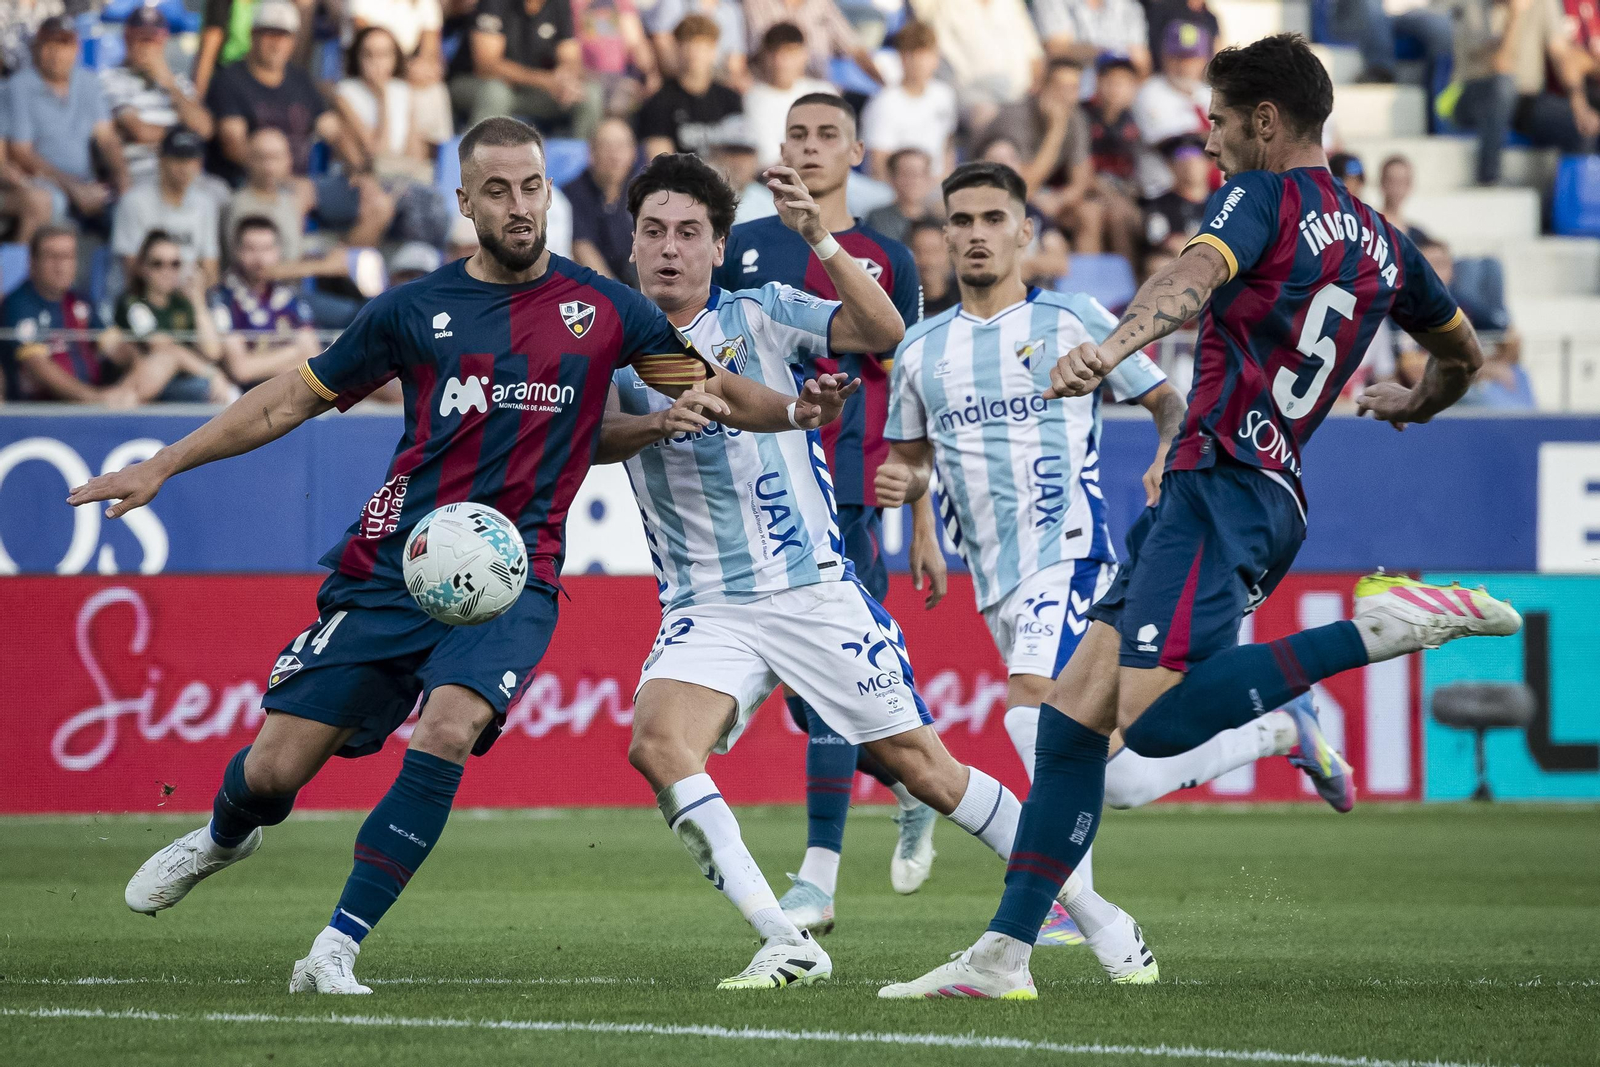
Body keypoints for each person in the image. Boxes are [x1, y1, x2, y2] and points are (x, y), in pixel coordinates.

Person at [71, 116, 813, 995]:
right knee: (272, 772)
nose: (518, 205)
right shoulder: (412, 311)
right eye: (496, 190)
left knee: (449, 727)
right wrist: (164, 462)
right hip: (396, 568)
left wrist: (805, 412)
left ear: (548, 190)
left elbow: (718, 389)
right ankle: (226, 834)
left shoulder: (607, 309)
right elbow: (285, 403)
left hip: (515, 574)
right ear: (464, 201)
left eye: (531, 186)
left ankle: (336, 944)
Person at [881, 33, 1522, 1001]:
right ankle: (1002, 954)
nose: (1210, 140)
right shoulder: (1384, 239)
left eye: (1219, 121)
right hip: (1254, 489)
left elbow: (1186, 283)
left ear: (1266, 122)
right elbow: (1464, 351)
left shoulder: (1261, 198)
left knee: (1151, 722)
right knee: (1067, 727)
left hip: (1218, 479)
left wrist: (1111, 349)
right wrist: (1416, 401)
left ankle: (1377, 628)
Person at [879, 160, 1341, 960]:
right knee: (1115, 774)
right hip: (995, 577)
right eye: (963, 221)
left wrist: (1167, 454)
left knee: (1031, 712)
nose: (978, 234)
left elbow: (1166, 399)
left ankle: (1073, 907)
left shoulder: (1072, 317)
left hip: (1072, 555)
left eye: (995, 218)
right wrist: (914, 502)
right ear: (943, 235)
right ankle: (1276, 728)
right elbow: (915, 456)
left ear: (1026, 231)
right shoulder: (919, 350)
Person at [601, 151, 1032, 988]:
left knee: (924, 769)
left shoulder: (764, 309)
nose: (669, 248)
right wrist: (655, 427)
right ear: (632, 244)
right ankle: (785, 935)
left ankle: (1088, 905)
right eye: (653, 231)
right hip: (706, 602)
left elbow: (884, 334)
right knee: (657, 743)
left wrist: (820, 238)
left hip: (808, 587)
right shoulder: (612, 340)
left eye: (689, 232)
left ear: (719, 247)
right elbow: (584, 441)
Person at [714, 93, 943, 926]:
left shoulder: (886, 257)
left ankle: (817, 876)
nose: (808, 148)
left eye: (826, 136)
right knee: (818, 700)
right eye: (797, 135)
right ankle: (912, 777)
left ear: (856, 153)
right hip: (750, 483)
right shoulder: (736, 247)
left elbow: (913, 383)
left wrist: (920, 508)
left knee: (832, 680)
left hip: (845, 490)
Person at [207, 1, 396, 248]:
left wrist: (360, 172)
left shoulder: (300, 80)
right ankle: (290, 276)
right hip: (253, 183)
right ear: (253, 36)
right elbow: (234, 146)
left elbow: (334, 132)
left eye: (284, 36)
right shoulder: (230, 79)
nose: (276, 43)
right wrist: (278, 174)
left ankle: (335, 265)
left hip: (306, 184)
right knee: (298, 196)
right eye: (269, 34)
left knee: (378, 202)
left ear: (294, 41)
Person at [0, 222, 171, 405]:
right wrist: (94, 398)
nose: (61, 266)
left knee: (163, 359)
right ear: (32, 262)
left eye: (68, 257)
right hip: (40, 413)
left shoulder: (81, 301)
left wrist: (133, 369)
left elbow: (114, 346)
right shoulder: (18, 304)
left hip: (90, 407)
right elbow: (38, 367)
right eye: (52, 256)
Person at [1449, 0, 1599, 185]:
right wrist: (1515, 16)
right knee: (1503, 87)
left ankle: (1562, 207)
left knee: (1579, 128)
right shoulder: (1473, 5)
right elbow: (1502, 67)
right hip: (1474, 94)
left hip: (1523, 99)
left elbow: (1561, 54)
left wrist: (1579, 105)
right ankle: (1489, 178)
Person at [6, 16, 129, 226]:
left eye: (64, 44)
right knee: (53, 203)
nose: (56, 53)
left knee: (127, 206)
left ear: (76, 48)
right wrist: (72, 187)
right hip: (42, 181)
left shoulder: (88, 82)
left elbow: (107, 138)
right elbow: (21, 153)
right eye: (49, 45)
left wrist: (122, 178)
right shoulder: (19, 86)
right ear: (37, 48)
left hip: (87, 182)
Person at [114, 229, 236, 404]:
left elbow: (213, 351)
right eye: (158, 264)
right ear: (142, 267)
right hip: (150, 383)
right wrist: (213, 374)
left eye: (175, 264)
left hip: (183, 378)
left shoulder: (183, 303)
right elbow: (164, 348)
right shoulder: (132, 303)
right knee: (211, 389)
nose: (167, 270)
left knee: (216, 390)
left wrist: (198, 302)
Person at [101, 4, 216, 189]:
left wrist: (169, 84)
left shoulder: (177, 81)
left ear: (163, 41)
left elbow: (205, 129)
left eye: (153, 40)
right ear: (127, 40)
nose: (147, 48)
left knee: (220, 193)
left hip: (188, 172)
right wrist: (185, 133)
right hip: (142, 173)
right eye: (141, 39)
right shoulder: (111, 79)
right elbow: (139, 130)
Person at [448, 0, 602, 138]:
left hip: (534, 91)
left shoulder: (559, 4)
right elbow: (487, 66)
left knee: (589, 94)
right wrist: (546, 81)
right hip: (475, 83)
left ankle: (580, 163)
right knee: (496, 93)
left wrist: (566, 78)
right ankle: (480, 162)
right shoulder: (494, 3)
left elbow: (570, 56)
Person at [210, 215, 321, 386]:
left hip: (287, 394)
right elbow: (241, 370)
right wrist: (293, 352)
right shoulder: (222, 298)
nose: (259, 259)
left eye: (267, 249)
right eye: (251, 249)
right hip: (242, 399)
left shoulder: (290, 296)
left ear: (277, 252)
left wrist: (263, 364)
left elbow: (313, 358)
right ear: (237, 251)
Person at [112, 128, 222, 293]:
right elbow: (131, 270)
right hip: (144, 297)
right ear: (162, 160)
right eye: (178, 159)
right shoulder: (134, 202)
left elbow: (211, 270)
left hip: (190, 296)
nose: (185, 168)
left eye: (191, 160)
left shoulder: (205, 203)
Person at [910, 0, 1044, 127]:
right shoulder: (940, 5)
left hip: (1019, 97)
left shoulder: (1010, 3)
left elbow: (1034, 56)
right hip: (969, 97)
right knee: (989, 119)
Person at [635, 13, 743, 158]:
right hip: (679, 178)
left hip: (723, 178)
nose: (695, 53)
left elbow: (741, 156)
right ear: (677, 49)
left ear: (714, 51)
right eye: (689, 45)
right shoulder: (659, 102)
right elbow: (660, 163)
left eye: (703, 46)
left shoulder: (730, 100)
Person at [860, 21, 958, 179]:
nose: (921, 62)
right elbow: (878, 168)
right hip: (896, 192)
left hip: (936, 189)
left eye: (927, 54)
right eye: (913, 54)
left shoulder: (945, 96)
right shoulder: (883, 103)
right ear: (902, 58)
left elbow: (948, 150)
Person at [1134, 21, 1214, 195]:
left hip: (1213, 187)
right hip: (1162, 189)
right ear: (1164, 57)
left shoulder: (1209, 94)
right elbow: (1174, 144)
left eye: (1191, 58)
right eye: (1177, 57)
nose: (1184, 66)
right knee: (1191, 159)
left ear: (1204, 60)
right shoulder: (1150, 92)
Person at [741, 23, 834, 168]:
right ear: (764, 56)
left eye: (790, 53)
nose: (781, 62)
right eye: (775, 53)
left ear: (804, 55)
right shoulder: (753, 99)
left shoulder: (824, 92)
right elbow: (770, 160)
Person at [564, 117, 642, 284]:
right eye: (607, 147)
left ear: (634, 152)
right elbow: (582, 250)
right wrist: (623, 300)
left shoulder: (645, 191)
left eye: (622, 147)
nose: (615, 156)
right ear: (591, 152)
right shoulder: (571, 194)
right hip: (598, 290)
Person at [742, 0, 883, 84]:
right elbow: (749, 52)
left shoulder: (821, 4)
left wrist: (885, 85)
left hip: (817, 86)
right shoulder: (755, 3)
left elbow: (855, 49)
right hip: (767, 87)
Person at [1140, 133, 1213, 275]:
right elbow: (1161, 240)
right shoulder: (1158, 204)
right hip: (1178, 265)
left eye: (1196, 157)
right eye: (1181, 158)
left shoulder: (1224, 201)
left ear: (1208, 163)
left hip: (1217, 264)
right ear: (1170, 165)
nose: (1189, 163)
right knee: (1157, 264)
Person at [1032, 0, 1153, 78]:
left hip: (1115, 92)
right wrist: (1110, 53)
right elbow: (1057, 48)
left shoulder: (1129, 7)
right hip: (1073, 92)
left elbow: (1142, 64)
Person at [863, 148, 934, 246]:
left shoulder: (941, 221)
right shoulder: (878, 220)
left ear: (929, 178)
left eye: (919, 173)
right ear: (891, 178)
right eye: (906, 173)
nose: (914, 181)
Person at [1377, 154, 1432, 244]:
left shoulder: (1418, 236)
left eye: (1403, 182)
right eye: (1392, 181)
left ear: (1410, 185)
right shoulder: (1368, 228)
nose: (1398, 188)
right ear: (1382, 183)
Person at [907, 217, 957, 315]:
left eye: (934, 251)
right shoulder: (899, 305)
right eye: (918, 252)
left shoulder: (967, 301)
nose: (927, 261)